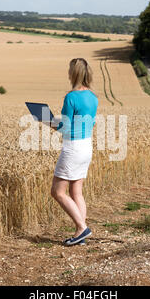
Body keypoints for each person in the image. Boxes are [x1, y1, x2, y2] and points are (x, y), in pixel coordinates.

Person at [50, 58, 98, 246]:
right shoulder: (93, 97)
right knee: (76, 191)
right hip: (86, 147)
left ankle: (81, 227)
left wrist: (47, 121)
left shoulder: (71, 97)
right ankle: (81, 236)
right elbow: (90, 122)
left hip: (73, 149)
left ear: (73, 73)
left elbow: (65, 128)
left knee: (57, 191)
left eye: (69, 70)